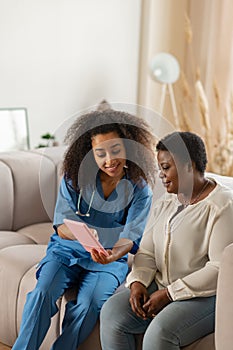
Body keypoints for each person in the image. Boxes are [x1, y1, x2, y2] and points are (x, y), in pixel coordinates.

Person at [12, 108, 157, 350]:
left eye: (115, 150)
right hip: (66, 251)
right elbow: (61, 225)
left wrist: (111, 254)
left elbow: (130, 237)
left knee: (89, 305)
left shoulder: (140, 190)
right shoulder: (74, 179)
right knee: (42, 294)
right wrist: (85, 234)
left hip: (109, 260)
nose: (109, 160)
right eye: (100, 153)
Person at [100, 131, 233, 350]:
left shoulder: (223, 206)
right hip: (163, 286)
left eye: (166, 167)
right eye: (160, 168)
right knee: (112, 313)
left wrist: (170, 294)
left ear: (188, 166)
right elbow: (147, 251)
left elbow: (218, 269)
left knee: (158, 334)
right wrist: (137, 283)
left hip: (207, 296)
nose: (161, 175)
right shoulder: (166, 201)